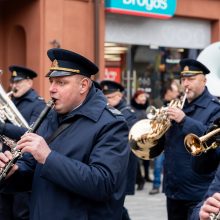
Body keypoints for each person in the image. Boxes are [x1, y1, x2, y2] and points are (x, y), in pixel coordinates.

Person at [0, 48, 130, 220]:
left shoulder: (112, 123)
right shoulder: (50, 116)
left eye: (61, 83)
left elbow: (104, 184)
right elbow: (33, 169)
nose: (52, 89)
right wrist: (14, 172)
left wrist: (48, 157)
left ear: (83, 85)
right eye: (52, 82)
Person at [152, 58, 220, 220]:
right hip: (173, 188)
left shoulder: (214, 108)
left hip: (198, 190)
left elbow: (213, 139)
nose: (186, 84)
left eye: (191, 79)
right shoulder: (177, 106)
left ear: (204, 80)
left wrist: (184, 120)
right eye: (183, 79)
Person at [0, 65, 46, 220]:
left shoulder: (38, 104)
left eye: (18, 82)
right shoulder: (9, 100)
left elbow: (31, 133)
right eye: (12, 82)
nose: (14, 85)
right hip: (6, 162)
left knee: (21, 214)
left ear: (29, 82)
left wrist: (3, 127)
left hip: (25, 166)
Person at [100, 80, 138, 220]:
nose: (107, 101)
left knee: (117, 204)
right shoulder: (109, 111)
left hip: (124, 163)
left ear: (119, 96)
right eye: (105, 97)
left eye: (110, 97)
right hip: (113, 163)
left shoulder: (127, 113)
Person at [149, 79, 180, 195]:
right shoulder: (157, 102)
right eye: (175, 90)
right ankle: (156, 185)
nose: (177, 93)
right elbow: (151, 116)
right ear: (168, 91)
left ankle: (170, 186)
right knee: (157, 163)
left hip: (173, 138)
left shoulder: (179, 103)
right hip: (160, 137)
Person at [130, 90, 152, 191]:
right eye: (141, 96)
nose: (144, 98)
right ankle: (140, 180)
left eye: (144, 96)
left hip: (146, 135)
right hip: (135, 136)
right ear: (136, 98)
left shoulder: (148, 109)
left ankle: (146, 176)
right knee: (136, 159)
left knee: (147, 158)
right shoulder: (131, 109)